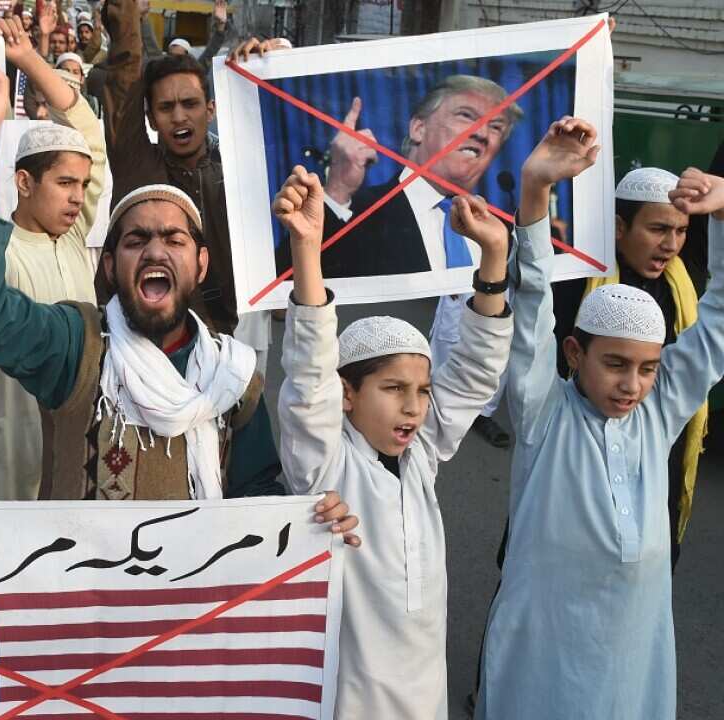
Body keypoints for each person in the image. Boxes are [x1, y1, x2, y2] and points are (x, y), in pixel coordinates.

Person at [0, 63, 290, 501]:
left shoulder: (235, 377)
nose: (156, 252)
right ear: (108, 266)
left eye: (174, 239)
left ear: (201, 264)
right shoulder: (78, 349)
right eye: (136, 240)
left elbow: (259, 495)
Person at [477, 117, 724, 720]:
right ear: (573, 353)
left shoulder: (659, 410)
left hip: (633, 649)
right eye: (615, 364)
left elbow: (716, 322)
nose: (632, 385)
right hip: (543, 648)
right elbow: (533, 301)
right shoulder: (542, 411)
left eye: (647, 369)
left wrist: (721, 218)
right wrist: (536, 188)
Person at [274, 163, 511, 719]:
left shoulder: (421, 454)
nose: (414, 406)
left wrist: (494, 257)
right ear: (346, 394)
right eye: (393, 388)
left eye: (423, 391)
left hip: (424, 695)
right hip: (349, 699)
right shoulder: (324, 466)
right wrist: (307, 250)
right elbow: (308, 375)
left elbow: (475, 371)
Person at [0, 18, 107, 500]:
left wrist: (29, 58)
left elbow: (89, 136)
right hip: (13, 433)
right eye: (64, 183)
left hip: (81, 429)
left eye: (82, 185)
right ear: (25, 183)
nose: (77, 197)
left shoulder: (73, 236)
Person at [549, 167, 703, 569]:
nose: (671, 245)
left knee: (643, 570)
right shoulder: (574, 280)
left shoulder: (683, 284)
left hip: (655, 456)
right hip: (577, 450)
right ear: (619, 227)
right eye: (658, 229)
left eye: (681, 231)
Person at [280, 76, 523, 279]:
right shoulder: (355, 212)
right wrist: (338, 188)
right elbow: (285, 294)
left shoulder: (503, 235)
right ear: (418, 129)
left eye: (496, 127)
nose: (482, 133)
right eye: (466, 115)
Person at [100, 0, 239, 336]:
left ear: (210, 110)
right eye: (166, 107)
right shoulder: (139, 168)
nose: (179, 117)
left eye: (190, 104)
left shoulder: (237, 171)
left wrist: (268, 67)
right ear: (150, 118)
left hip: (225, 338)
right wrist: (127, 11)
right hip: (138, 338)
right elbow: (123, 77)